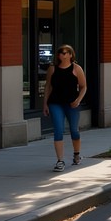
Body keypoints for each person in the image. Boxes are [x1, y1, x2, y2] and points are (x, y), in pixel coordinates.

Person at [42, 44, 87, 172]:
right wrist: (45, 104)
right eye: (60, 52)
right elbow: (48, 87)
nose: (62, 54)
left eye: (65, 52)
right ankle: (60, 161)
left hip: (71, 104)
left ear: (71, 55)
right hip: (55, 103)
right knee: (58, 130)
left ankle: (77, 154)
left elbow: (84, 86)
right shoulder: (53, 69)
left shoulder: (76, 68)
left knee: (74, 130)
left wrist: (78, 100)